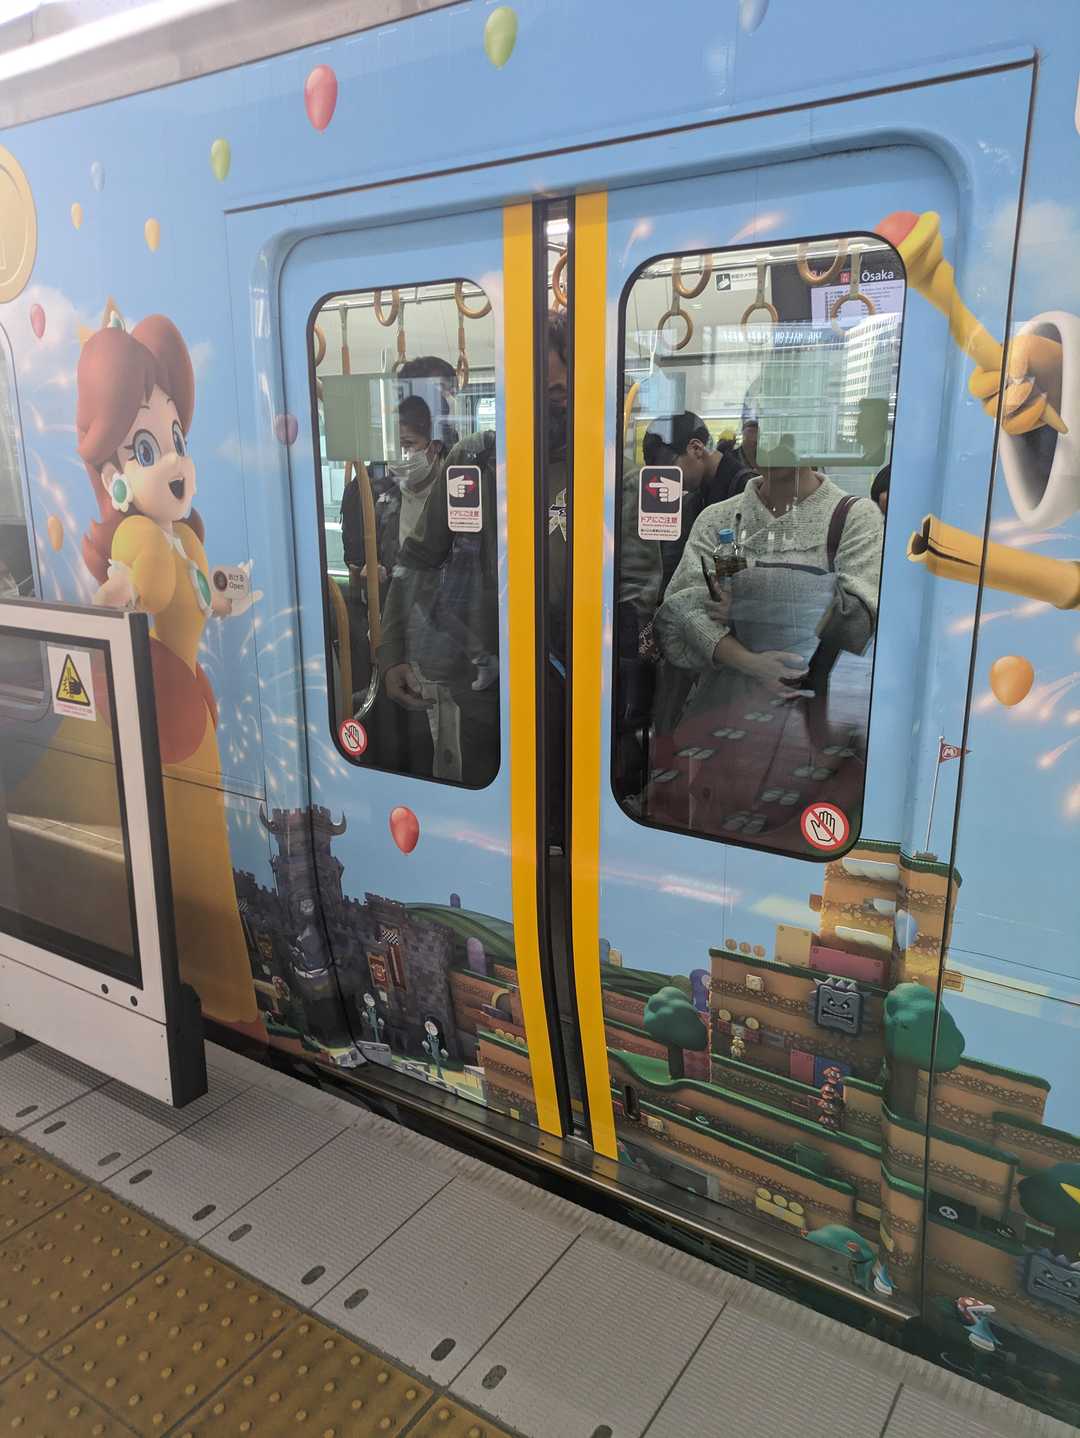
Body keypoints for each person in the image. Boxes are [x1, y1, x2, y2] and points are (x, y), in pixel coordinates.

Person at [77, 314, 263, 1037]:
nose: (176, 462)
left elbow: (195, 599)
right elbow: (143, 588)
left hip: (190, 717)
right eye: (149, 448)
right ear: (112, 474)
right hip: (173, 729)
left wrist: (228, 594)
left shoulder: (180, 534)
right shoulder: (138, 537)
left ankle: (226, 996)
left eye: (176, 438)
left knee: (204, 858)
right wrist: (122, 590)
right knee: (196, 862)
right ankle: (225, 1002)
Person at [650, 438, 883, 848]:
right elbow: (678, 612)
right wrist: (749, 660)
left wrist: (745, 601)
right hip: (721, 718)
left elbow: (858, 619)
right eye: (764, 426)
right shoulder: (719, 517)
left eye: (792, 428)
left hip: (813, 727)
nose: (776, 441)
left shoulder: (853, 517)